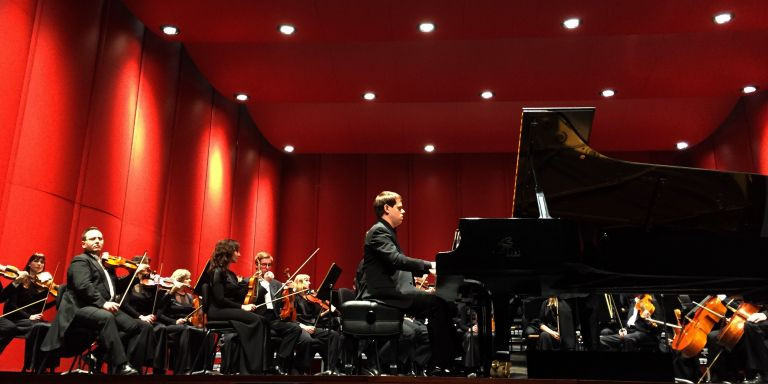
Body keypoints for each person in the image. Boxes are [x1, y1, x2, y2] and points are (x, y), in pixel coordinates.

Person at [358, 191, 460, 375]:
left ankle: (443, 361)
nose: (403, 211)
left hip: (393, 290)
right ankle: (440, 364)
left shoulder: (387, 232)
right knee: (438, 305)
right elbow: (397, 260)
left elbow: (395, 265)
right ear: (387, 208)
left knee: (443, 305)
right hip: (384, 294)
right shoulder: (378, 231)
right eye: (399, 207)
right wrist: (429, 266)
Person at [41, 226, 147, 374]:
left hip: (99, 308)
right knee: (107, 317)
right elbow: (83, 286)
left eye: (100, 238)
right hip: (80, 308)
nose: (97, 241)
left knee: (139, 326)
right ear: (83, 244)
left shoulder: (106, 265)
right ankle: (122, 365)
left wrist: (135, 275)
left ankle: (96, 355)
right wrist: (103, 303)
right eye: (93, 238)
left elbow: (117, 287)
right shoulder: (80, 261)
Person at [207, 239, 267, 374]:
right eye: (236, 251)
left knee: (262, 319)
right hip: (217, 311)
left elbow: (236, 295)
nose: (239, 255)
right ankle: (251, 367)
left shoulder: (231, 274)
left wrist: (252, 282)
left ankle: (252, 366)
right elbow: (219, 299)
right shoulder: (217, 271)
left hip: (227, 309)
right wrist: (241, 307)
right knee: (256, 320)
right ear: (228, 252)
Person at [0, 253, 58, 371]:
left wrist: (56, 300)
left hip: (28, 320)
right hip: (14, 318)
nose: (39, 264)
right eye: (36, 261)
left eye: (42, 262)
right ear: (29, 263)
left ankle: (45, 367)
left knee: (50, 328)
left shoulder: (43, 285)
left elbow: (38, 308)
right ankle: (29, 366)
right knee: (38, 327)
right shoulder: (20, 280)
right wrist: (29, 316)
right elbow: (10, 306)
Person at [251, 251, 303, 375]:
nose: (267, 268)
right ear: (257, 265)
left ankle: (280, 360)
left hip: (273, 318)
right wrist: (265, 282)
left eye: (269, 265)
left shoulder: (277, 284)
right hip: (258, 318)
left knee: (295, 328)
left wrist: (290, 290)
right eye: (264, 265)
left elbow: (282, 304)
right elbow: (254, 298)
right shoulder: (252, 281)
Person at [156, 268, 210, 374]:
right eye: (187, 279)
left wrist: (190, 318)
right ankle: (183, 369)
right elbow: (159, 315)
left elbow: (191, 313)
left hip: (184, 326)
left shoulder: (189, 297)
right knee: (186, 330)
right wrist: (174, 321)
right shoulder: (168, 294)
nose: (190, 281)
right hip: (169, 326)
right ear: (180, 280)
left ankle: (200, 368)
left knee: (205, 332)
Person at [293, 273, 341, 375]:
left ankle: (331, 369)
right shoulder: (294, 298)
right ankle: (301, 369)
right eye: (306, 280)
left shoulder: (309, 297)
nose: (309, 282)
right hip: (300, 327)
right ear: (299, 282)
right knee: (309, 341)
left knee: (333, 335)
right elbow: (291, 318)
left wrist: (328, 310)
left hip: (313, 327)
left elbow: (316, 317)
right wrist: (304, 327)